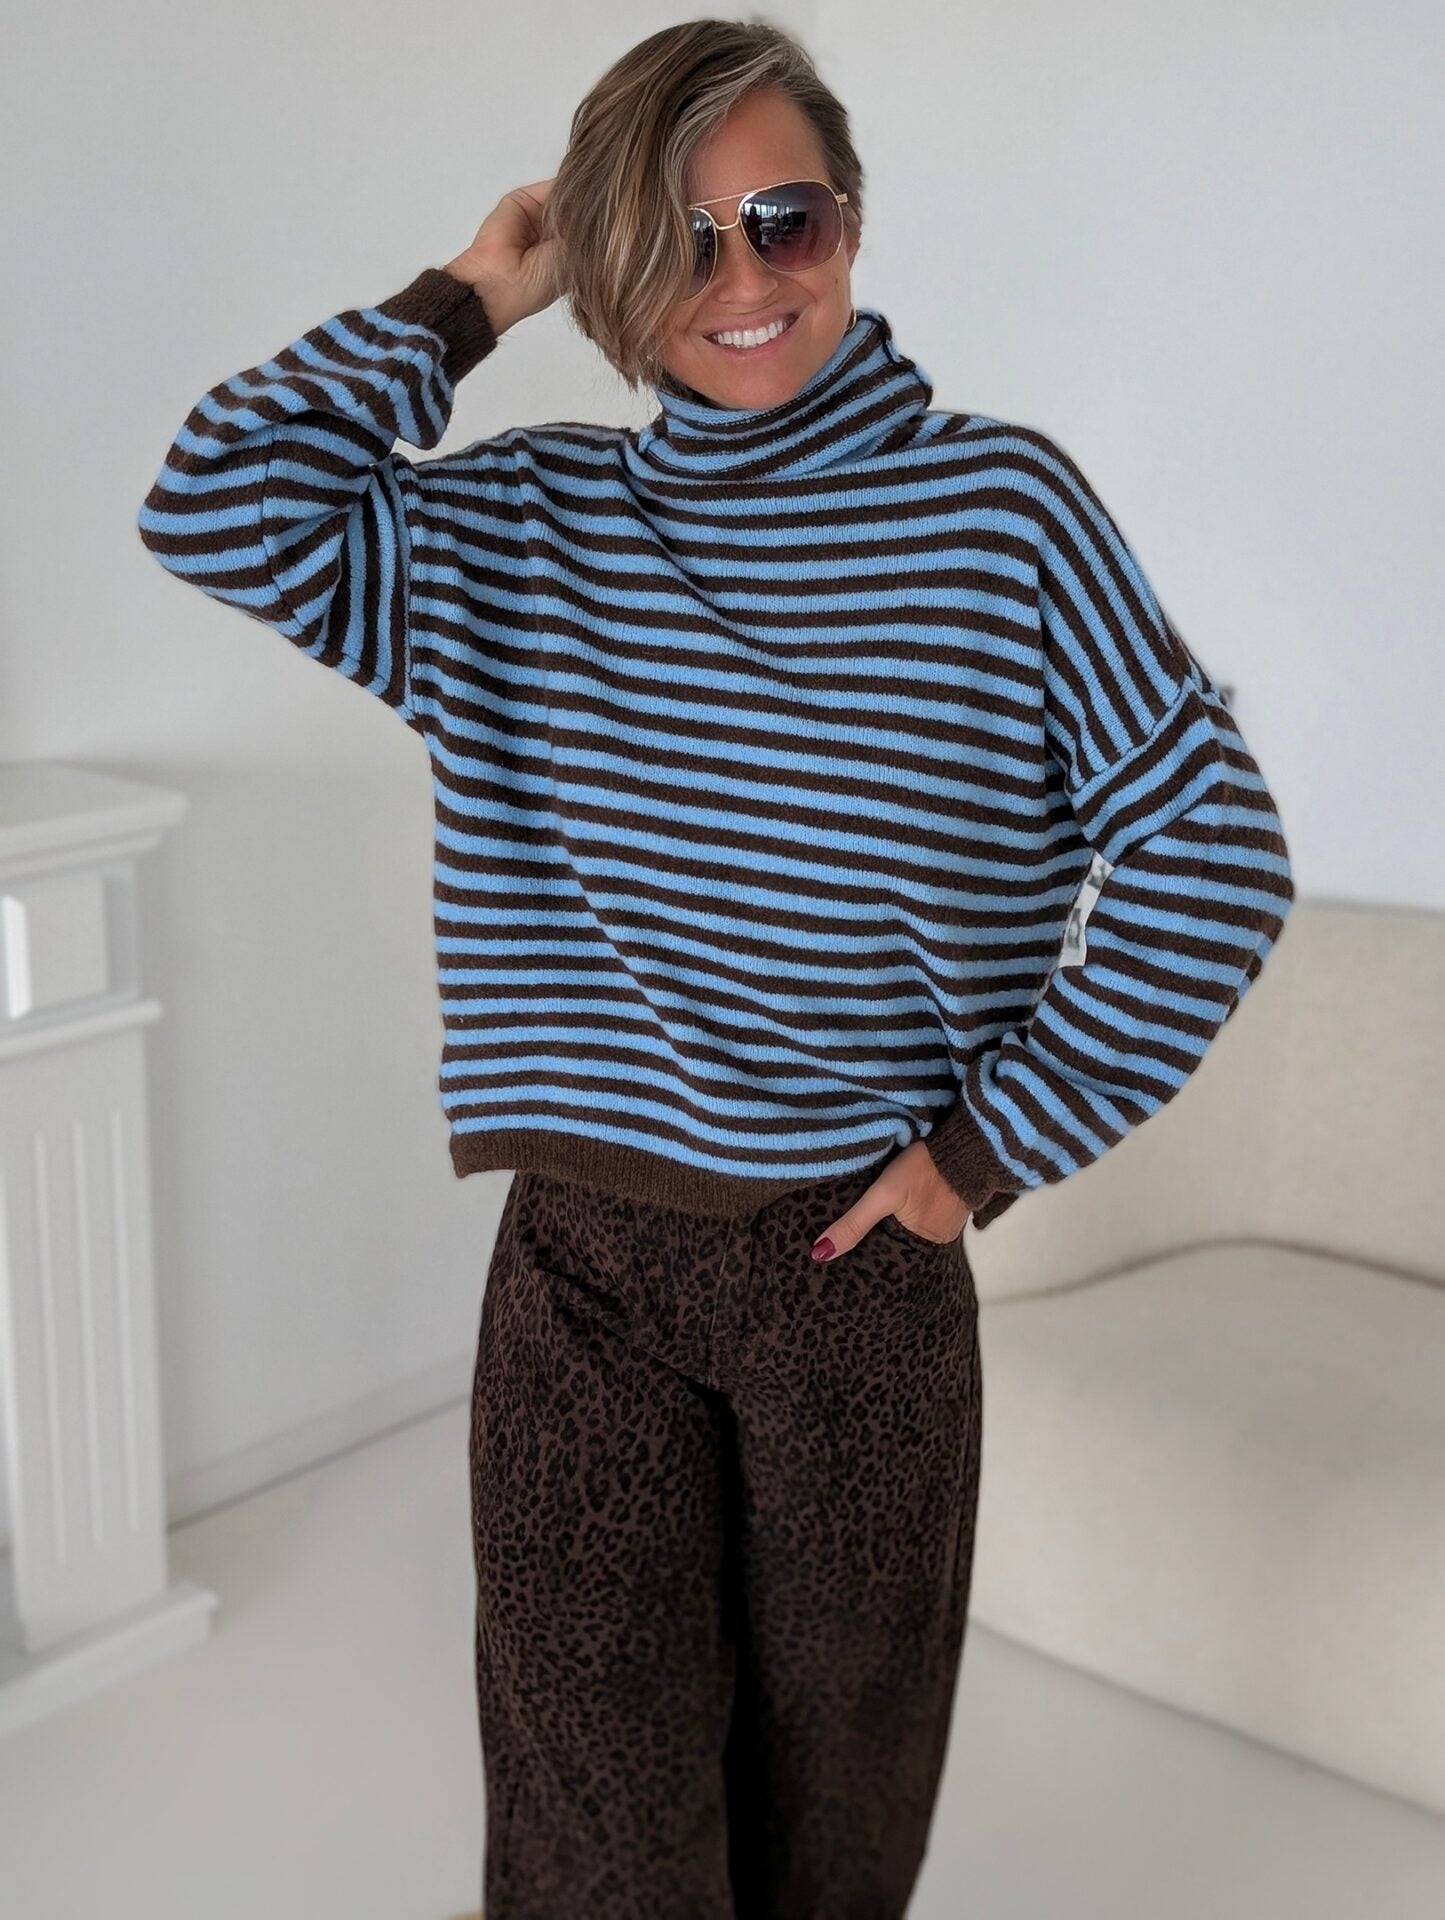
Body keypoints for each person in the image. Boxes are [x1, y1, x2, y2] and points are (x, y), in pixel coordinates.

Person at [136, 19, 1294, 1917]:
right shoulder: (522, 537)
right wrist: (470, 296)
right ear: (604, 262)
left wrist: (982, 1151)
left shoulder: (1001, 519)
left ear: (851, 222)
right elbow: (216, 502)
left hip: (855, 1269)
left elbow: (1210, 852)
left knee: (833, 1805)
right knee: (592, 1816)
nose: (742, 278)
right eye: (675, 238)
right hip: (585, 1268)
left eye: (786, 219)